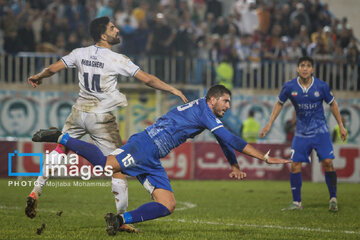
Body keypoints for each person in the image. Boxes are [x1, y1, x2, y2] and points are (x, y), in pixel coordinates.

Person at [32, 85, 291, 236]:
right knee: (106, 166)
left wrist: (234, 165)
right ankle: (62, 137)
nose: (228, 106)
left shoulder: (204, 110)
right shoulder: (206, 112)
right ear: (213, 100)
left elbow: (224, 141)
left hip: (153, 156)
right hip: (145, 145)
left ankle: (119, 220)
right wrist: (263, 157)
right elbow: (231, 139)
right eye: (226, 101)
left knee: (167, 204)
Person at [26, 16, 188, 233]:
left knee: (61, 149)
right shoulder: (117, 59)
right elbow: (148, 79)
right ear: (104, 35)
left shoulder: (79, 53)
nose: (117, 30)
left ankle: (36, 189)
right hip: (101, 116)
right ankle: (123, 220)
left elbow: (54, 68)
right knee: (118, 168)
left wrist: (38, 76)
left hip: (79, 111)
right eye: (113, 28)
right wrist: (173, 89)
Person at [259, 56, 347, 212]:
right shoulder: (289, 86)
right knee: (294, 165)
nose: (305, 68)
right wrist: (269, 124)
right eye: (302, 65)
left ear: (312, 69)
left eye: (308, 66)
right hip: (301, 134)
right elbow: (279, 104)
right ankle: (297, 203)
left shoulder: (321, 86)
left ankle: (333, 199)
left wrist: (341, 125)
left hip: (321, 132)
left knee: (328, 163)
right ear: (297, 68)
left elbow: (332, 104)